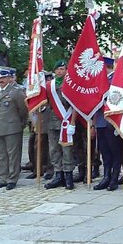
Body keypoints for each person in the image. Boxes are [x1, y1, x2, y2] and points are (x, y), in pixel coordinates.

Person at [44, 60, 76, 190]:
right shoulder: (49, 85)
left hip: (66, 120)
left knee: (67, 150)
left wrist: (73, 122)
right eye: (57, 69)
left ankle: (68, 176)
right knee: (53, 150)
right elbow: (45, 102)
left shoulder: (70, 84)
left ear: (66, 71)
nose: (59, 72)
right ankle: (58, 175)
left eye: (62, 69)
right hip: (52, 121)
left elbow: (75, 105)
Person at [93, 57, 123, 191]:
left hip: (113, 122)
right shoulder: (99, 82)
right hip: (100, 121)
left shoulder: (115, 81)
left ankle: (114, 178)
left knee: (115, 151)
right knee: (104, 151)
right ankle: (106, 176)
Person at [0, 67, 27, 190]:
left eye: (3, 78)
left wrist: (20, 123)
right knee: (2, 154)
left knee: (13, 154)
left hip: (12, 127)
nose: (0, 80)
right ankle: (4, 177)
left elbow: (23, 110)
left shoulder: (15, 92)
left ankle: (13, 178)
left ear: (9, 78)